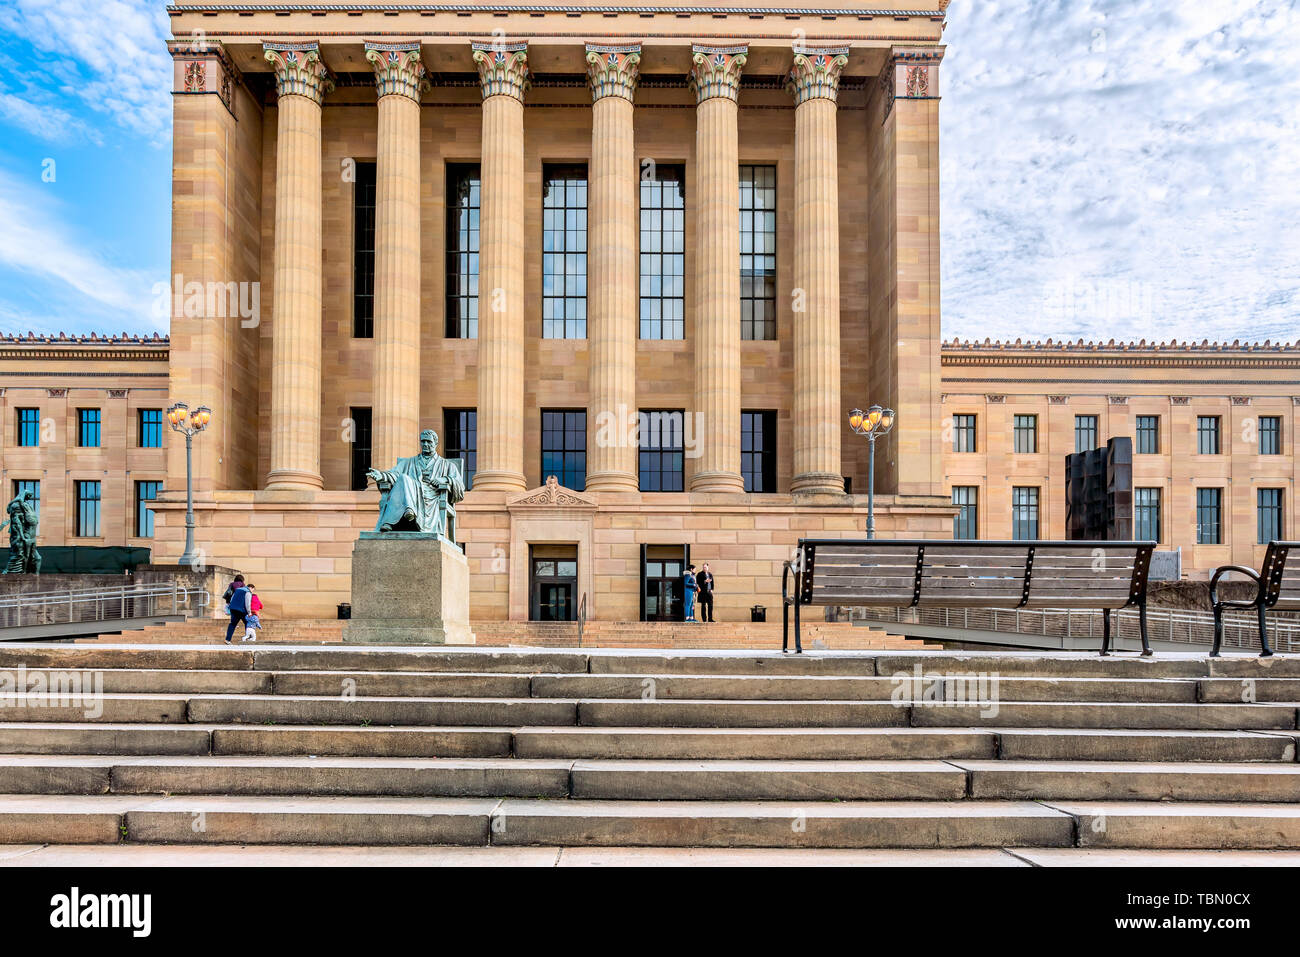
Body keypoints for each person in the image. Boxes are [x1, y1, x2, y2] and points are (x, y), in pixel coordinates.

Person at [225, 578, 252, 645]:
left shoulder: (237, 590)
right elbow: (247, 603)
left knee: (232, 624)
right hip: (241, 610)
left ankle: (227, 639)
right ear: (250, 587)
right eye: (253, 589)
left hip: (233, 609)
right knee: (247, 623)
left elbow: (231, 599)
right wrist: (249, 612)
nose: (252, 591)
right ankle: (248, 639)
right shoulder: (248, 592)